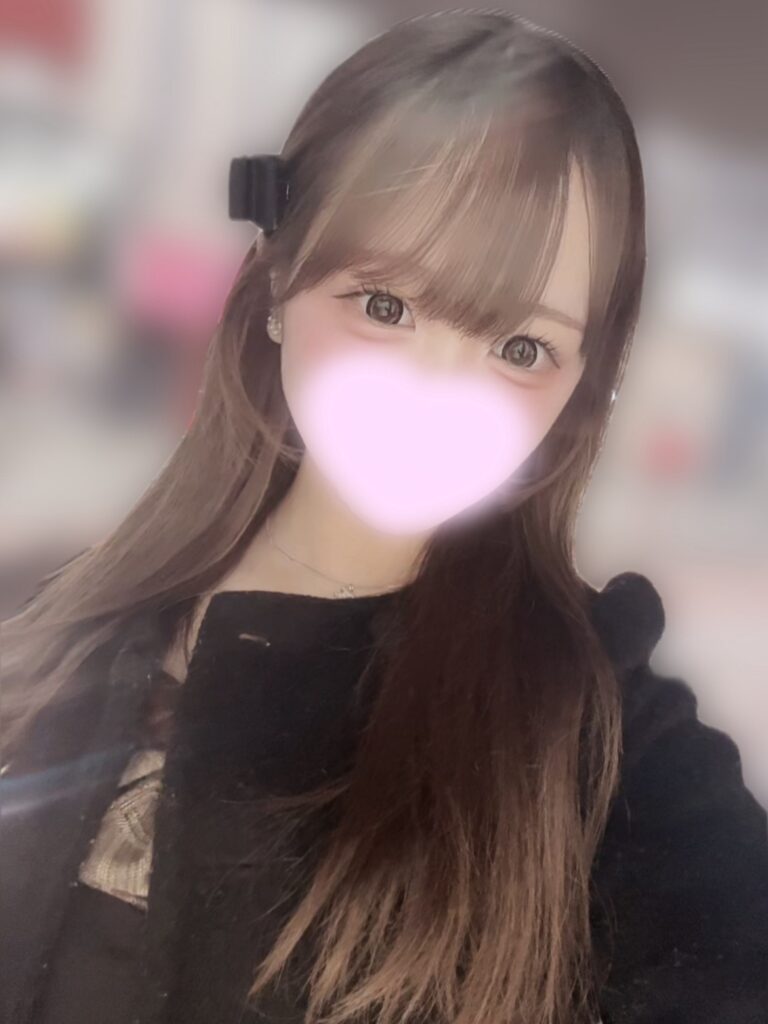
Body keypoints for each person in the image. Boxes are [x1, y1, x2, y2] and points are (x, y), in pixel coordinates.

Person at [2, 11, 767, 1024]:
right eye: (384, 305)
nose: (436, 392)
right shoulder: (46, 612)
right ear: (280, 279)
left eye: (521, 349)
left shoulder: (597, 734)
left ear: (584, 385)